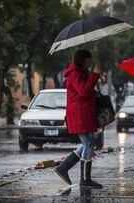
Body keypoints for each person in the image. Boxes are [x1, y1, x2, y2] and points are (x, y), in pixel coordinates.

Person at [55, 49, 102, 189]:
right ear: (82, 60)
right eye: (89, 59)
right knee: (88, 143)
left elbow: (85, 91)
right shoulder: (75, 73)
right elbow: (82, 91)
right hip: (79, 114)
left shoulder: (81, 73)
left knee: (89, 142)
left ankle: (64, 167)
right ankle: (85, 179)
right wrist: (95, 75)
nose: (91, 62)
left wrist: (95, 81)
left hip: (83, 112)